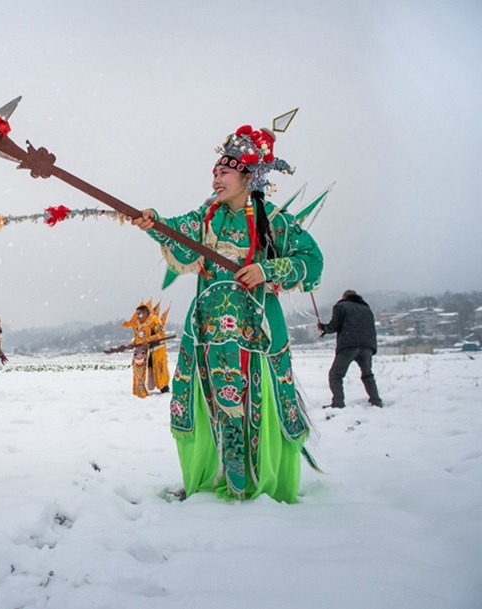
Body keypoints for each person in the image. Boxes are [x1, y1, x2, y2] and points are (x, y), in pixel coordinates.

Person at [131, 123, 324, 503]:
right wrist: (153, 222)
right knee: (208, 405)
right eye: (215, 172)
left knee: (256, 405)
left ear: (248, 176)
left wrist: (267, 270)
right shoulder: (206, 218)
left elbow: (311, 261)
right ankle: (211, 478)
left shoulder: (275, 221)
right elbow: (177, 236)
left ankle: (261, 486)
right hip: (206, 330)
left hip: (257, 334)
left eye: (224, 171)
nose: (216, 178)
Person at [318, 290, 382, 408]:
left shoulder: (340, 306)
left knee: (335, 375)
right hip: (368, 346)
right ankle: (376, 401)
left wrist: (323, 327)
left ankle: (338, 403)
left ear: (344, 297)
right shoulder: (366, 308)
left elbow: (334, 326)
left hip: (348, 345)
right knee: (367, 374)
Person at [122, 300, 170, 398]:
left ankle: (164, 388)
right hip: (142, 352)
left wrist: (149, 339)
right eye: (137, 314)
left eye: (139, 314)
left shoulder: (154, 320)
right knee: (141, 371)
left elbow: (161, 333)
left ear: (146, 313)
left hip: (155, 350)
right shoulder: (138, 324)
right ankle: (141, 389)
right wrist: (133, 344)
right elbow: (138, 337)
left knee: (159, 370)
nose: (137, 316)